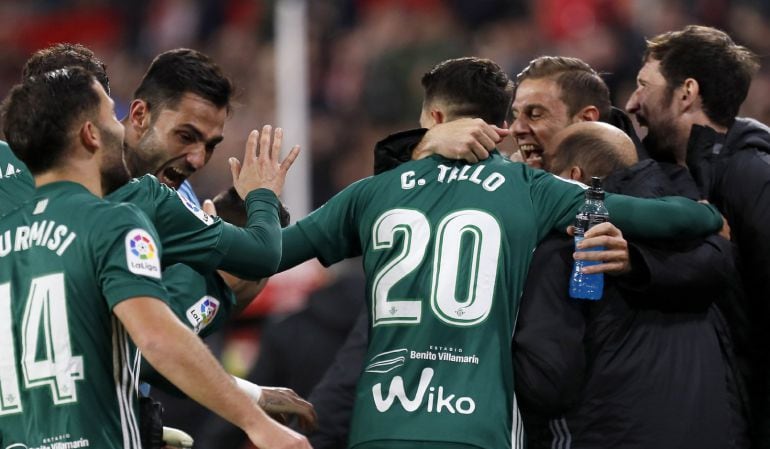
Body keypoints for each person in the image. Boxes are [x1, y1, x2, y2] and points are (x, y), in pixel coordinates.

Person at [275, 56, 723, 449]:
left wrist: (636, 263)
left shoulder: (650, 186)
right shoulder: (517, 197)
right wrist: (423, 148)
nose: (517, 129)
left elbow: (712, 259)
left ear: (585, 118)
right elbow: (365, 347)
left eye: (535, 113)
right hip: (521, 425)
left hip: (621, 425)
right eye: (513, 115)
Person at [12, 42, 316, 440]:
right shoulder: (129, 210)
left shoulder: (17, 213)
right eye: (186, 136)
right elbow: (157, 340)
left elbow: (161, 345)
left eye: (210, 145)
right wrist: (218, 284)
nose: (197, 159)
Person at [513, 122, 746, 449]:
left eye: (549, 173)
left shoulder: (570, 248)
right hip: (714, 429)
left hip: (604, 433)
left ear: (573, 177)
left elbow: (547, 383)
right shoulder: (696, 228)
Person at [624, 25, 770, 447]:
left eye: (642, 85)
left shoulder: (751, 175)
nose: (633, 102)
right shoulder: (675, 176)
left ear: (686, 92)